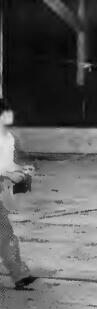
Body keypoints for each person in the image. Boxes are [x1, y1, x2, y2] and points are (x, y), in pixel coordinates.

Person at [0, 100, 37, 289]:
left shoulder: (9, 138)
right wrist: (9, 174)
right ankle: (19, 275)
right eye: (6, 113)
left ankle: (19, 274)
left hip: (1, 190)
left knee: (6, 234)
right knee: (5, 234)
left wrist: (22, 170)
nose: (10, 116)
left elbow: (7, 165)